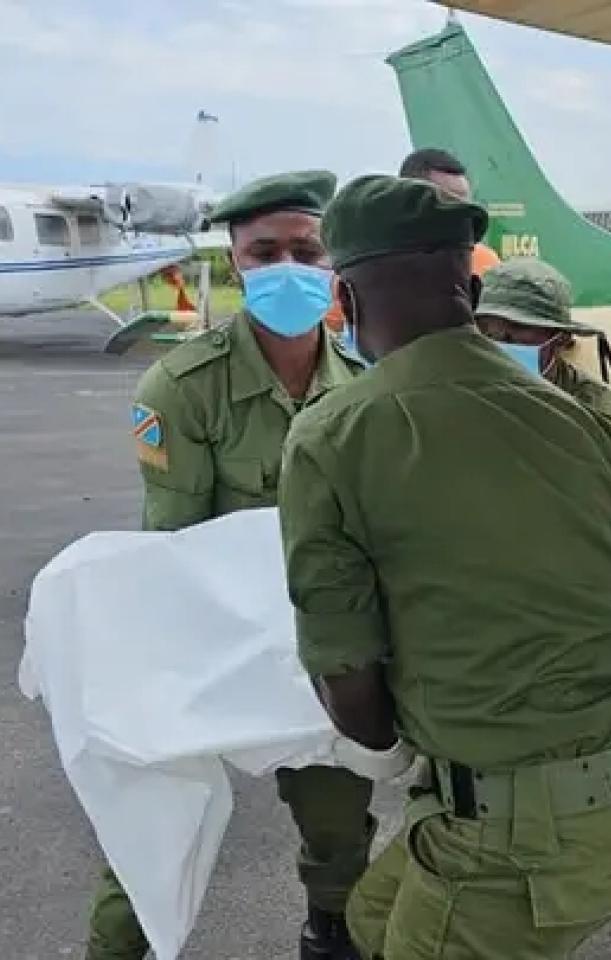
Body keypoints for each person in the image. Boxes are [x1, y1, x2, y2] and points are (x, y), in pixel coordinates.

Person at [277, 174, 611, 960]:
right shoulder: (581, 418)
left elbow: (348, 677)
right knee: (369, 921)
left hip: (513, 836)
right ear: (471, 283)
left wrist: (386, 745)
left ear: (346, 301)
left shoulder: (334, 434)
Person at [87, 171, 373, 960]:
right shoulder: (181, 387)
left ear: (333, 261)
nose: (286, 265)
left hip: (320, 644)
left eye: (305, 249)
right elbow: (174, 548)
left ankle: (330, 932)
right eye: (264, 251)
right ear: (237, 263)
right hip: (206, 637)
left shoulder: (365, 386)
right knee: (154, 827)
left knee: (339, 829)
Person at [475, 256, 611, 498]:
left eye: (519, 333)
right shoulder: (452, 398)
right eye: (489, 334)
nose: (502, 345)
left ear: (561, 340)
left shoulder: (606, 419)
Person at [398, 146, 501, 276]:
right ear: (412, 202)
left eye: (465, 205)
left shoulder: (484, 262)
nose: (461, 216)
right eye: (449, 203)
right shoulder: (380, 264)